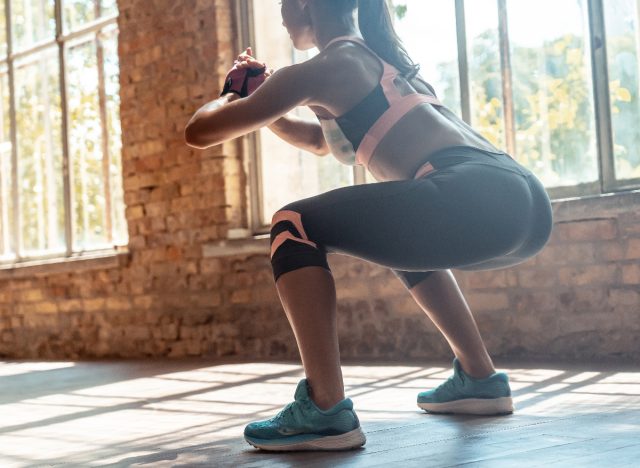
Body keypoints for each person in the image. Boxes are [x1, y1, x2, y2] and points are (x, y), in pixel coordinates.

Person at [185, 0, 553, 452]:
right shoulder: (385, 63)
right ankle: (479, 378)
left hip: (471, 194)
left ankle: (325, 410)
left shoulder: (324, 65)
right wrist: (268, 105)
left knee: (292, 223)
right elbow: (325, 143)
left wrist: (233, 94)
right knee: (404, 236)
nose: (280, 14)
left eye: (283, 2)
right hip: (522, 202)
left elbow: (199, 132)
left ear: (305, 5)